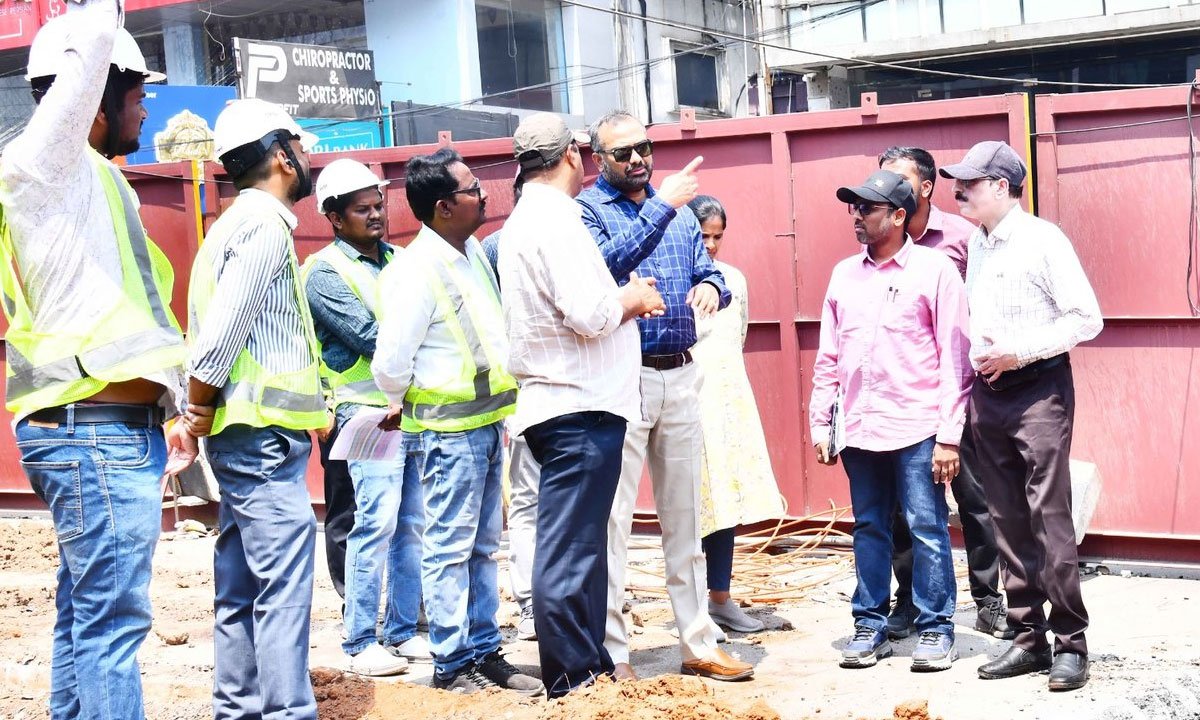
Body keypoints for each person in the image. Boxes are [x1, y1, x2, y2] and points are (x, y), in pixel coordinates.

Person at [0, 4, 194, 718]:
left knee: (87, 615)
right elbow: (84, 59)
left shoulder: (97, 181)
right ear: (94, 96)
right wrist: (101, 16)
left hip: (110, 428)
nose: (147, 109)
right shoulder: (43, 164)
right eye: (137, 95)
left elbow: (136, 314)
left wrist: (170, 404)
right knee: (113, 624)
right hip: (93, 433)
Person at [579, 110, 753, 682]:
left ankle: (697, 642)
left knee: (686, 519)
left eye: (643, 148)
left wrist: (710, 285)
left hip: (680, 373)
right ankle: (615, 652)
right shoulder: (588, 212)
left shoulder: (680, 216)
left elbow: (713, 272)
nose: (637, 160)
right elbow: (600, 270)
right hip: (621, 378)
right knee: (615, 523)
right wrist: (660, 207)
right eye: (623, 152)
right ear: (598, 159)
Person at [499, 113, 665, 696]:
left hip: (572, 405)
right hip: (576, 408)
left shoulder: (535, 219)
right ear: (574, 153)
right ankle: (573, 682)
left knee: (582, 551)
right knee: (570, 555)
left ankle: (588, 672)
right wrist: (634, 298)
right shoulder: (554, 223)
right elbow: (590, 313)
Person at [371, 148, 542, 697]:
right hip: (448, 435)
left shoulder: (469, 254)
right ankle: (450, 661)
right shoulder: (416, 271)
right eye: (472, 189)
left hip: (487, 426)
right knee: (449, 547)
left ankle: (483, 648)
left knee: (482, 546)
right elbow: (390, 363)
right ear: (444, 207)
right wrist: (404, 399)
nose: (484, 194)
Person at [940, 141, 1102, 691]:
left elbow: (1087, 318)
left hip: (1037, 390)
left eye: (971, 183)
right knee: (1004, 516)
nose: (959, 190)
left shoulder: (1042, 240)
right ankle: (1027, 637)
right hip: (991, 391)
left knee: (1047, 517)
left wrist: (1020, 352)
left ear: (1003, 188)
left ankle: (1070, 643)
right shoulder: (978, 244)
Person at [183, 98, 325, 720]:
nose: (309, 156)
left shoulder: (228, 226)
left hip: (248, 438)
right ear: (280, 157)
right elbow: (220, 338)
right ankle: (288, 712)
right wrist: (193, 418)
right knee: (284, 587)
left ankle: (237, 710)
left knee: (241, 587)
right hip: (260, 440)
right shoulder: (265, 228)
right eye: (301, 145)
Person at [811, 169, 972, 672]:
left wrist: (949, 436)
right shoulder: (843, 274)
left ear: (899, 216)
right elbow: (828, 356)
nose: (857, 217)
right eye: (854, 208)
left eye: (868, 209)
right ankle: (870, 625)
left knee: (927, 526)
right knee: (869, 527)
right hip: (860, 427)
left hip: (918, 428)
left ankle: (935, 629)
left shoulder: (934, 271)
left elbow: (955, 357)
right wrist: (822, 422)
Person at [876, 146, 1013, 641]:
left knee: (975, 498)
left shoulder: (961, 237)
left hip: (959, 389)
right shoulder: (879, 240)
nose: (886, 189)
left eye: (900, 180)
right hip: (902, 396)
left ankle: (988, 600)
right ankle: (910, 599)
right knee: (901, 504)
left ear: (927, 188)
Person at [303, 158, 430, 675]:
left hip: (411, 410)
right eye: (362, 209)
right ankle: (358, 639)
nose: (376, 215)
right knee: (372, 522)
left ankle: (403, 630)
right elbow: (374, 338)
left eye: (379, 205)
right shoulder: (323, 274)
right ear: (334, 216)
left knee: (411, 523)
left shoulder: (401, 259)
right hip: (366, 414)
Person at [686, 195, 784, 634]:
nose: (710, 246)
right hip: (686, 401)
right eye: (702, 236)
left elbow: (736, 335)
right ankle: (689, 603)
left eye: (717, 237)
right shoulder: (669, 276)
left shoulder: (734, 280)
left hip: (726, 400)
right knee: (690, 504)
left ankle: (720, 598)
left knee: (724, 501)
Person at [480, 172, 540, 642]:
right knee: (528, 500)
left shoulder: (493, 246)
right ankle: (533, 604)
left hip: (531, 390)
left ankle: (539, 604)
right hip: (523, 390)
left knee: (529, 501)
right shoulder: (494, 249)